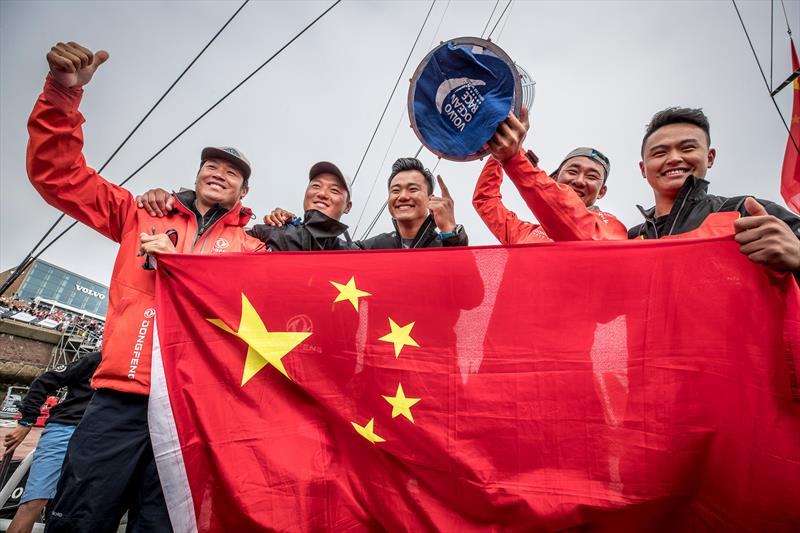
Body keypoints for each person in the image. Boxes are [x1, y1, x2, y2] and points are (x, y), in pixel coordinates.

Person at [27, 41, 265, 532]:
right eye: (213, 165)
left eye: (233, 173)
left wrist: (292, 225)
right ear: (197, 174)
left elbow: (307, 285)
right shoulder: (141, 212)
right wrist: (62, 96)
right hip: (119, 398)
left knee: (162, 527)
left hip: (190, 413)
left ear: (245, 192)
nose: (220, 173)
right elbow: (60, 177)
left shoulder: (253, 248)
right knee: (79, 521)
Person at [630, 107, 800, 272]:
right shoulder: (629, 238)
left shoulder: (748, 212)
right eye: (659, 153)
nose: (674, 158)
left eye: (687, 148)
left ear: (709, 158)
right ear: (643, 168)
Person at [474, 107, 627, 243]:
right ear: (554, 179)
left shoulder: (611, 227)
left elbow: (579, 231)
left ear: (602, 191)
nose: (580, 181)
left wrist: (513, 157)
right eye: (573, 171)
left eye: (592, 177)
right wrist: (501, 148)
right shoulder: (527, 234)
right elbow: (486, 200)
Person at [137, 161, 354, 251]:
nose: (322, 193)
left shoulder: (354, 253)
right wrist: (180, 201)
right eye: (315, 185)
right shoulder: (267, 233)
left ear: (348, 206)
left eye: (334, 190)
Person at [3, 352, 101, 533]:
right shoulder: (97, 358)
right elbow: (44, 381)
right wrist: (26, 421)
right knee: (33, 503)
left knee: (84, 510)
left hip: (101, 439)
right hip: (66, 429)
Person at [354, 157, 468, 249]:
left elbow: (465, 273)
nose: (403, 196)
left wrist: (450, 232)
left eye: (413, 189)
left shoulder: (446, 246)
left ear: (431, 199)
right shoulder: (371, 247)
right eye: (395, 190)